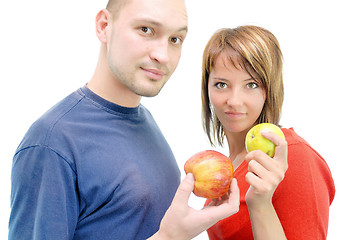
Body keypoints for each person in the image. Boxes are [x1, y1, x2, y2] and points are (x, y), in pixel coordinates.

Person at [8, 0, 240, 239]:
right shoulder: (51, 144)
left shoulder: (145, 121)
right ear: (104, 26)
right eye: (146, 30)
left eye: (175, 39)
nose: (163, 55)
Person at [201, 25, 335, 239]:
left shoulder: (296, 156)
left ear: (270, 89)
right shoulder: (227, 165)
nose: (234, 101)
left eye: (251, 85)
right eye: (221, 84)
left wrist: (261, 204)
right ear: (206, 87)